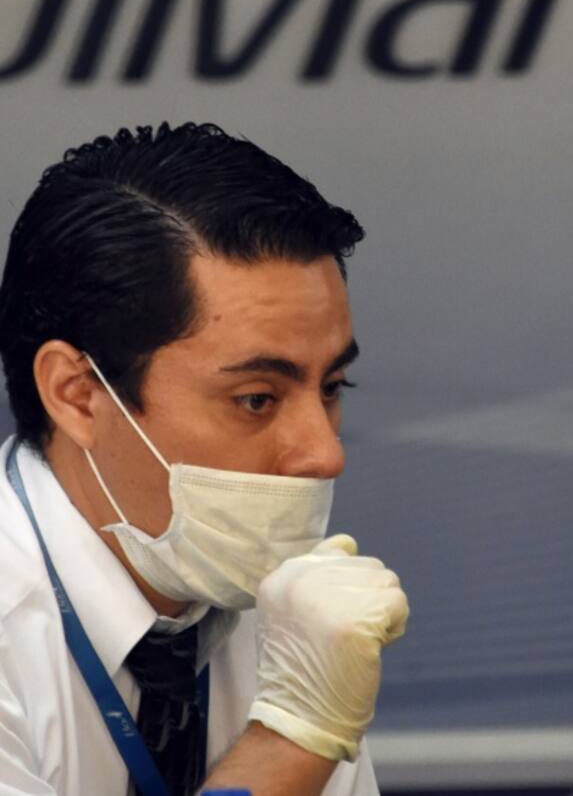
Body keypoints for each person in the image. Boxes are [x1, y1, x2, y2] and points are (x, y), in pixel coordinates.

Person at [0, 123, 409, 795]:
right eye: (256, 399)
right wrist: (290, 738)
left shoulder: (286, 613)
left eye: (332, 388)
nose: (325, 452)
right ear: (77, 396)